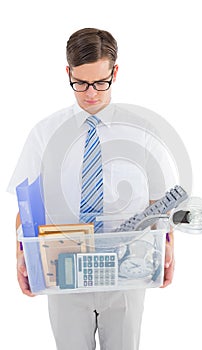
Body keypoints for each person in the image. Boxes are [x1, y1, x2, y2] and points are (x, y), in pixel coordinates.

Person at [8, 28, 175, 350]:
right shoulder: (45, 133)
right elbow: (27, 203)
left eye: (101, 82)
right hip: (63, 268)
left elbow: (160, 199)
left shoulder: (141, 130)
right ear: (67, 73)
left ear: (115, 72)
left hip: (128, 266)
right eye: (80, 83)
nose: (91, 93)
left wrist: (168, 245)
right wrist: (20, 254)